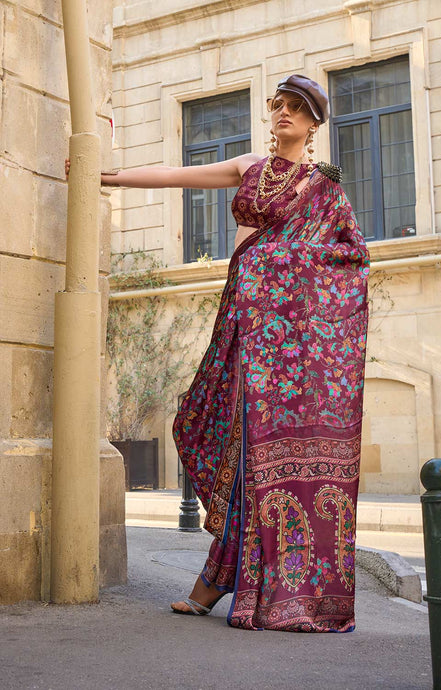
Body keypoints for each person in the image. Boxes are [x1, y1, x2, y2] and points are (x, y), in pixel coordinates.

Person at [66, 74, 369, 632]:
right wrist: (107, 176)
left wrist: (276, 265)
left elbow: (351, 259)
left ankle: (230, 588)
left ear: (313, 125)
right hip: (243, 326)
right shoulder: (250, 166)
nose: (283, 113)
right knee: (228, 435)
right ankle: (226, 578)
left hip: (291, 345)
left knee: (263, 456)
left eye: (297, 108)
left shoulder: (325, 191)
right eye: (279, 105)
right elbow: (178, 176)